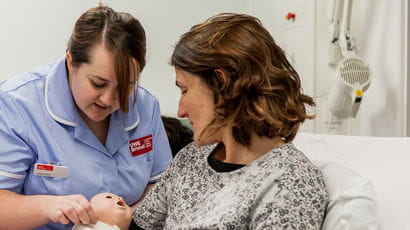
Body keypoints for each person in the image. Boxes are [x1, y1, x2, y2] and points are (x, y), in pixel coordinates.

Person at [133, 13, 329, 229]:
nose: (180, 112)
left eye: (185, 89)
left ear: (221, 83)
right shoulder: (190, 159)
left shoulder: (289, 183)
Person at [0, 4, 172, 230]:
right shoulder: (17, 106)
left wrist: (127, 219)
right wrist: (49, 207)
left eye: (126, 86)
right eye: (98, 83)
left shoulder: (145, 106)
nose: (109, 100)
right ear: (71, 63)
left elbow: (163, 187)